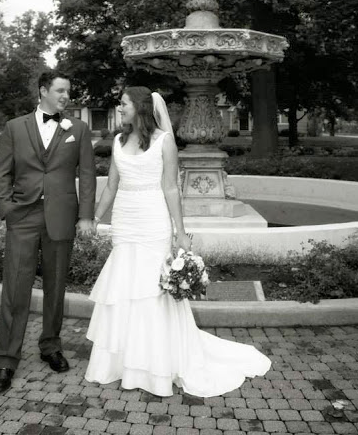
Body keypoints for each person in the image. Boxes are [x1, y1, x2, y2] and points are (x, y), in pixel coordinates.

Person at [84, 86, 271, 397]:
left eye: (124, 103)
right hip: (125, 221)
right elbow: (111, 186)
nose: (119, 108)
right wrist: (94, 217)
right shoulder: (118, 140)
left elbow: (171, 189)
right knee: (125, 286)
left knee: (151, 290)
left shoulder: (164, 141)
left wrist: (180, 231)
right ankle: (121, 362)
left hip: (153, 220)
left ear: (140, 108)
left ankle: (158, 364)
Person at [0, 71, 96, 393]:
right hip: (22, 216)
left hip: (61, 218)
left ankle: (51, 346)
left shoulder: (77, 129)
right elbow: (3, 172)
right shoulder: (14, 127)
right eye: (60, 90)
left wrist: (86, 216)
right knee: (15, 289)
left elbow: (88, 175)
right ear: (43, 92)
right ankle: (6, 360)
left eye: (68, 91)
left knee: (56, 287)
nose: (66, 96)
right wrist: (7, 207)